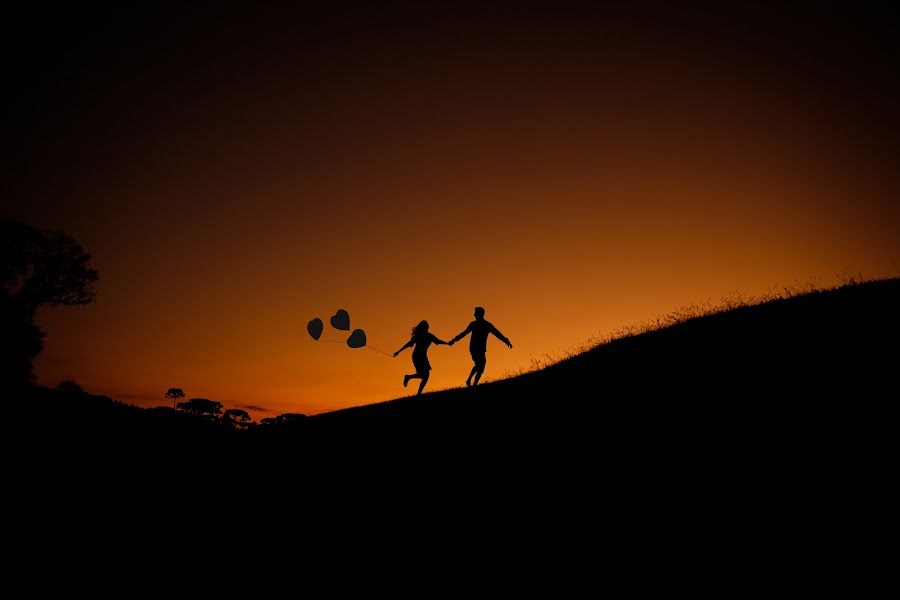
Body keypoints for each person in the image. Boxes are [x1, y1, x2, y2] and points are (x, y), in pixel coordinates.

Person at [449, 306, 512, 387]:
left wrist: (506, 341)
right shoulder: (473, 324)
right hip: (474, 348)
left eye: (475, 313)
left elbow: (497, 333)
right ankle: (472, 382)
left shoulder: (487, 325)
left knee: (480, 365)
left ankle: (471, 382)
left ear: (480, 314)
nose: (474, 315)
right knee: (480, 364)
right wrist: (454, 340)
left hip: (481, 348)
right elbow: (463, 333)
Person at [393, 320, 449, 396]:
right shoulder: (418, 336)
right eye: (426, 324)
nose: (428, 325)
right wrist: (398, 351)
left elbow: (438, 341)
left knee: (424, 375)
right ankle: (418, 392)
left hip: (423, 356)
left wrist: (447, 343)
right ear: (424, 327)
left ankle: (409, 379)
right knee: (425, 375)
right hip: (416, 356)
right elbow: (409, 344)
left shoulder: (430, 336)